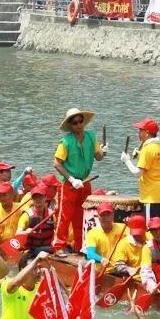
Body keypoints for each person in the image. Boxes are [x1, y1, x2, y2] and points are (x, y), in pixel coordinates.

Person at [52, 108, 105, 255]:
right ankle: (58, 247)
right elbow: (57, 163)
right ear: (70, 125)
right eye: (75, 123)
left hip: (85, 181)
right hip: (69, 184)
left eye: (80, 121)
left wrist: (103, 152)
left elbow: (98, 157)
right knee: (65, 216)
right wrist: (71, 179)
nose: (78, 125)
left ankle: (80, 246)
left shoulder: (91, 137)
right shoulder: (66, 142)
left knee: (82, 216)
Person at [0, 251, 54, 319]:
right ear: (23, 270)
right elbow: (15, 284)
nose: (38, 271)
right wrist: (37, 259)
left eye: (39, 268)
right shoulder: (8, 283)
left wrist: (50, 267)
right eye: (34, 268)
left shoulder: (41, 287)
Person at [120, 117, 160, 220]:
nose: (138, 133)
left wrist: (127, 160)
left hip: (151, 196)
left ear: (147, 133)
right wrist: (139, 155)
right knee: (159, 225)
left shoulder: (148, 149)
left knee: (150, 226)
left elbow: (137, 173)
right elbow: (153, 163)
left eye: (140, 131)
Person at [14, 186, 55, 257]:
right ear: (32, 200)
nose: (38, 200)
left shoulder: (52, 214)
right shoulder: (26, 216)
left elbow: (58, 233)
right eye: (35, 198)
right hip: (31, 250)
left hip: (47, 249)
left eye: (40, 197)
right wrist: (26, 232)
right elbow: (17, 234)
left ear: (45, 198)